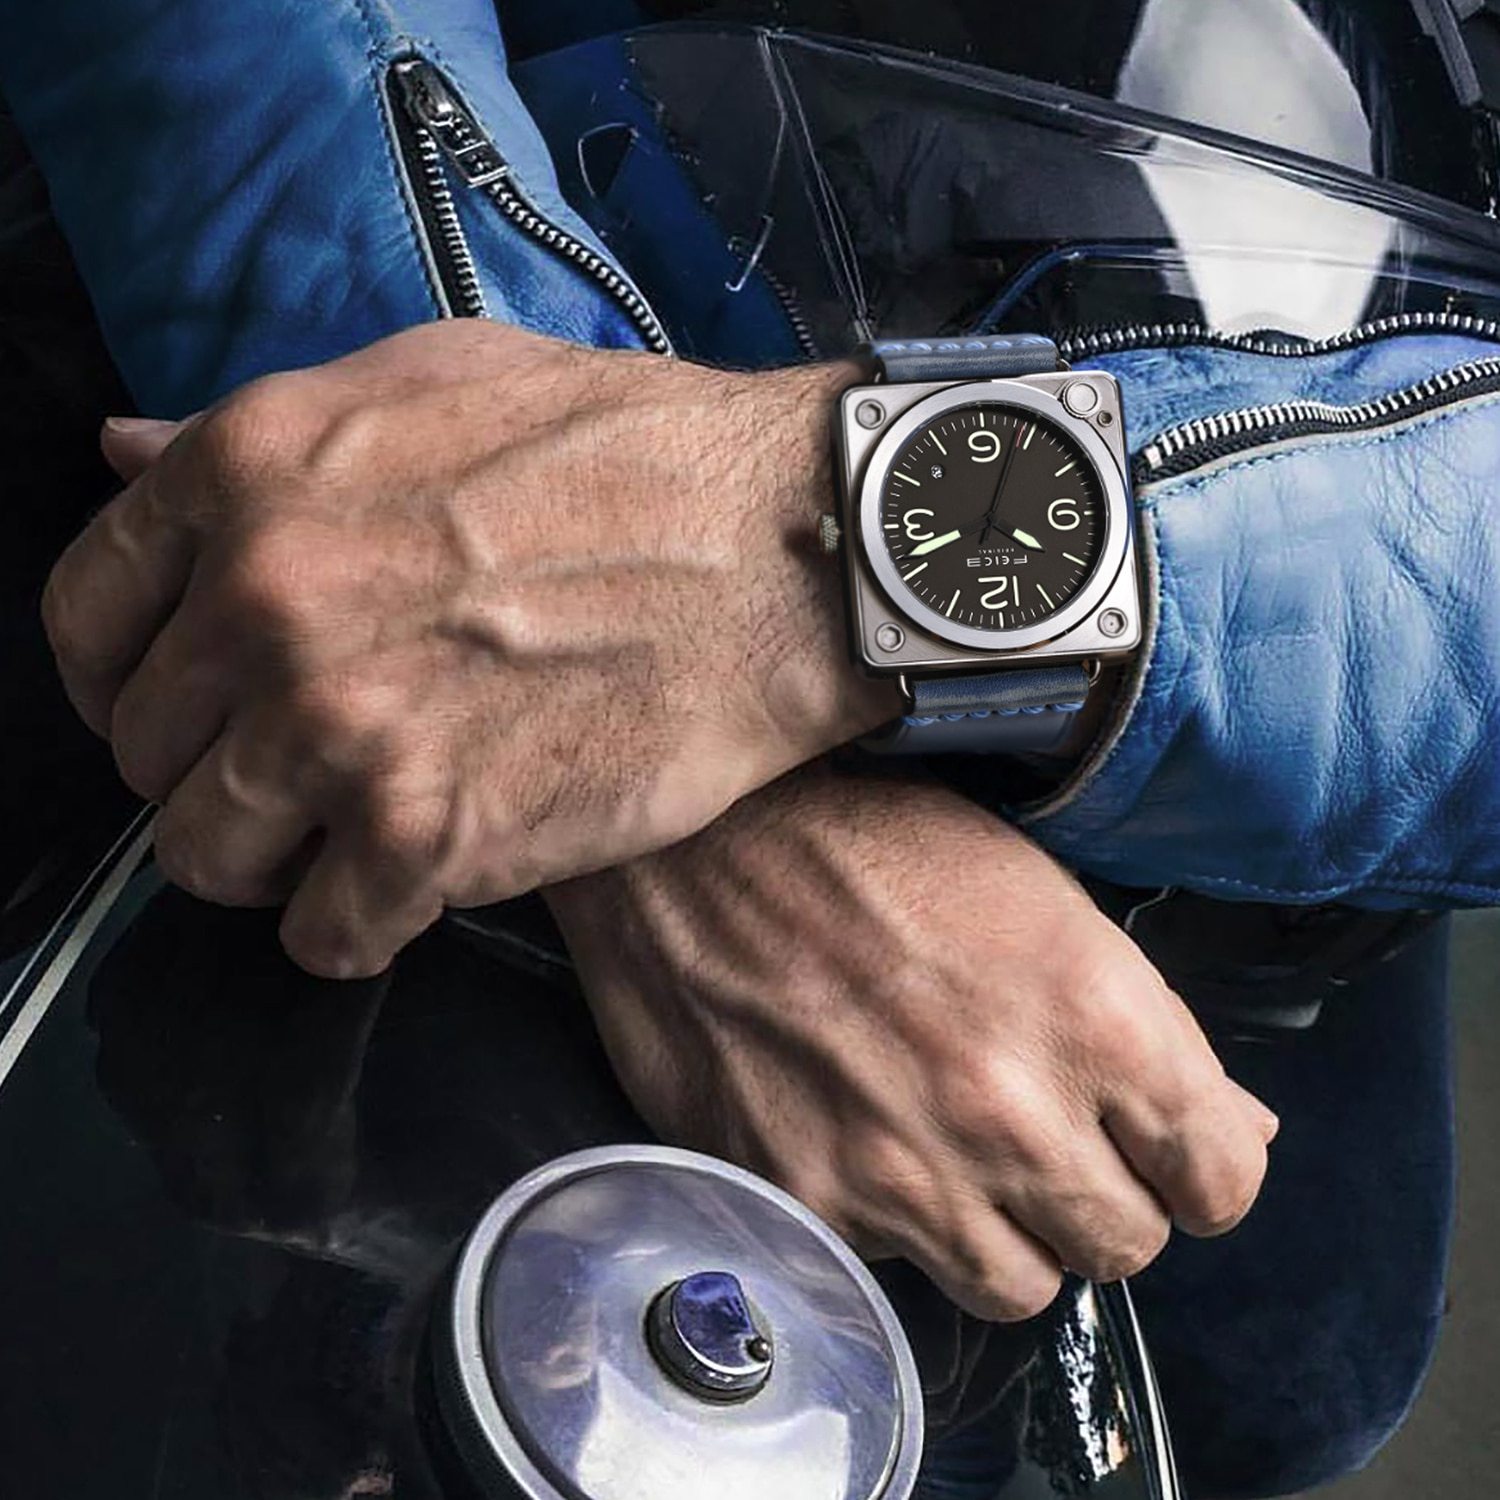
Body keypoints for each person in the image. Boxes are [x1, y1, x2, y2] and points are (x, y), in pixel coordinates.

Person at [3, 1, 1493, 1494]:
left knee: (1294, 1365)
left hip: (1299, 753)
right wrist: (562, 604)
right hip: (487, 280)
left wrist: (762, 555)